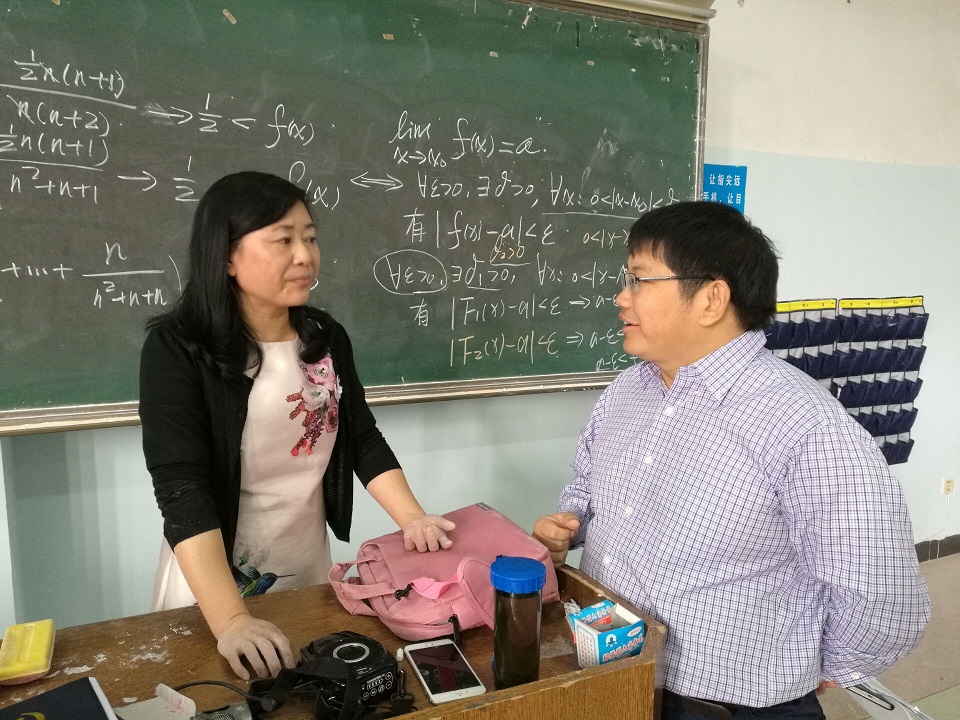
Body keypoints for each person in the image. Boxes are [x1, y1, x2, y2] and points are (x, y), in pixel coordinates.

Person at [533, 202, 930, 720]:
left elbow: (881, 593)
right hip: (615, 674)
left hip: (726, 706)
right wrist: (570, 523)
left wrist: (813, 668)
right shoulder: (628, 391)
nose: (621, 297)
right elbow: (587, 486)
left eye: (639, 280)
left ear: (711, 299)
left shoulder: (804, 424)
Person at [140, 171, 455, 681]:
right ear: (226, 255)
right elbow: (181, 489)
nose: (305, 256)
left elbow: (361, 436)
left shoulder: (324, 337)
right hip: (217, 584)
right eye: (283, 240)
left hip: (306, 562)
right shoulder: (177, 349)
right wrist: (232, 621)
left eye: (309, 238)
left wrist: (413, 518)